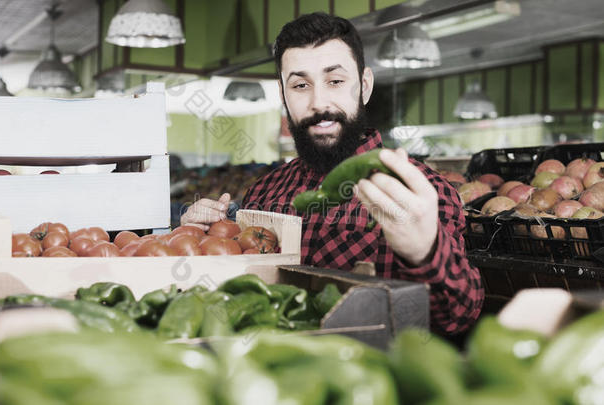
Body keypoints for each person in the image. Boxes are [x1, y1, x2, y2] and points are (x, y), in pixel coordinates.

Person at [181, 12, 483, 335]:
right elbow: (234, 299)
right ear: (284, 96)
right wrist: (195, 241)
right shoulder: (263, 194)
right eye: (300, 85)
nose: (318, 102)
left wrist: (426, 251)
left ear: (364, 86)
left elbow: (456, 318)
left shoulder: (421, 192)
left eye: (335, 81)